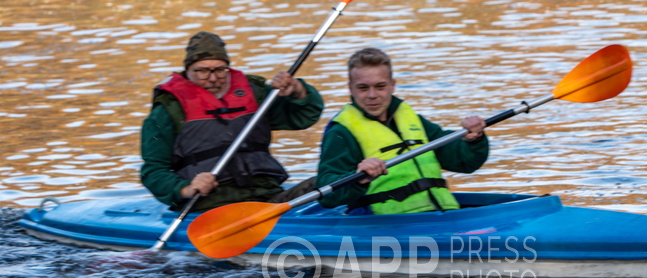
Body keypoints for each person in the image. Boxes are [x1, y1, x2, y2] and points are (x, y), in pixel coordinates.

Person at [140, 31, 324, 213]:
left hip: (267, 199)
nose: (213, 78)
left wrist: (298, 91)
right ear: (188, 71)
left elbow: (304, 116)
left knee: (328, 183)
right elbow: (153, 171)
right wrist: (186, 189)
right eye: (202, 71)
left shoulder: (256, 94)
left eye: (220, 70)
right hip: (210, 207)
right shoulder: (166, 111)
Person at [316, 47, 489, 214]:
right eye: (363, 88)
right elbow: (326, 192)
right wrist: (358, 177)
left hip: (441, 215)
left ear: (392, 85)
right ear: (350, 88)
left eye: (380, 86)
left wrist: (474, 139)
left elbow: (464, 162)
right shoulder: (341, 132)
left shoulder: (412, 120)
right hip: (385, 224)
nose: (372, 95)